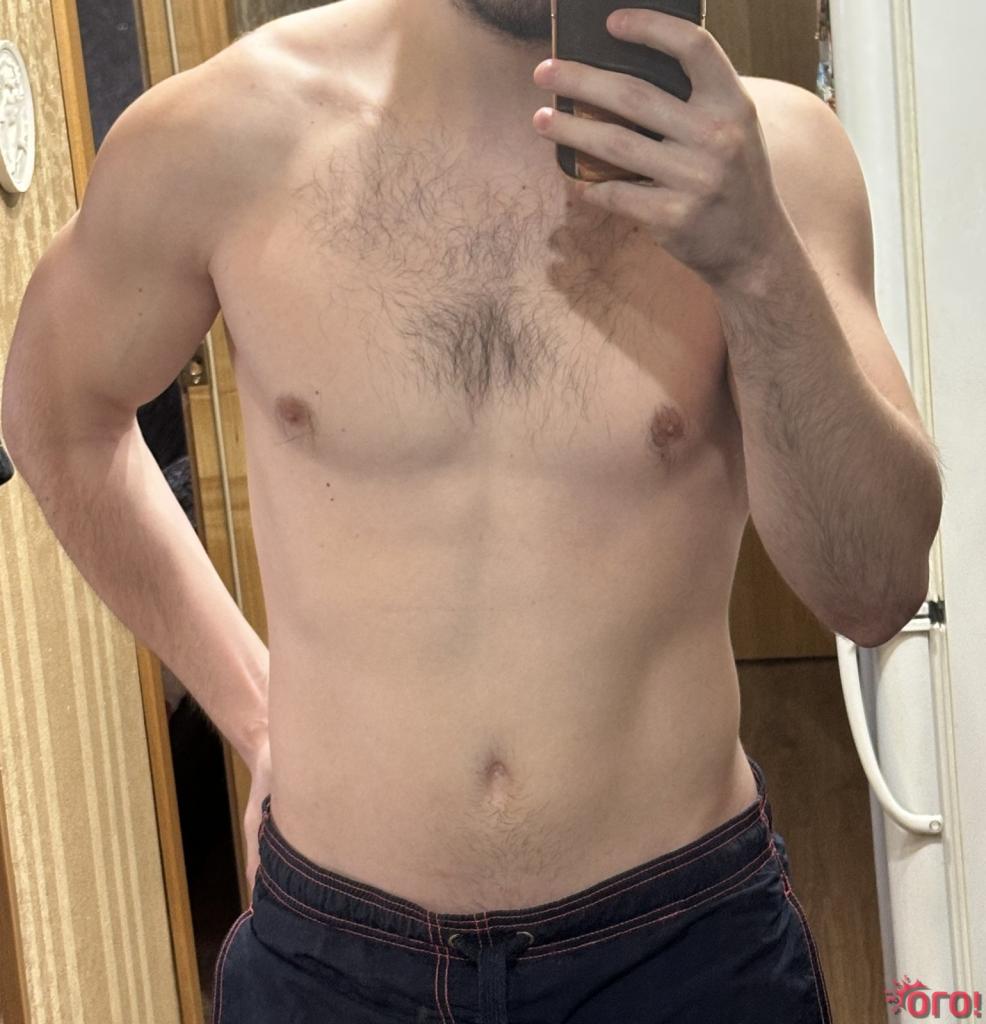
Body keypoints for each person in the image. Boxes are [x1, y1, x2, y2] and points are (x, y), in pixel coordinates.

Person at [1, 0, 943, 1020]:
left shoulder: (778, 164)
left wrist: (757, 261)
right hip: (334, 961)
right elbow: (57, 414)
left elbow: (875, 588)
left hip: (680, 946)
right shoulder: (226, 133)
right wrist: (254, 710)